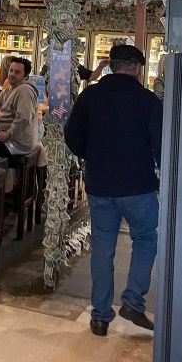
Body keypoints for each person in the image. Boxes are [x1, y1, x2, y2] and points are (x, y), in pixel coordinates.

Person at [64, 44, 163, 337]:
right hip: (138, 187)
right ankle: (133, 300)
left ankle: (100, 317)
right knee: (146, 239)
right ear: (135, 68)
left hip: (100, 186)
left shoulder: (90, 96)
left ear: (111, 66)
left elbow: (72, 136)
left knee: (102, 249)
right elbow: (160, 147)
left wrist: (91, 156)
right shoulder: (148, 101)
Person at [0, 56, 40, 158]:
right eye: (11, 70)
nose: (12, 74)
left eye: (17, 72)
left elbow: (23, 118)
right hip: (9, 138)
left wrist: (8, 135)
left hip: (16, 144)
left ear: (25, 76)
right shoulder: (10, 89)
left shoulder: (25, 90)